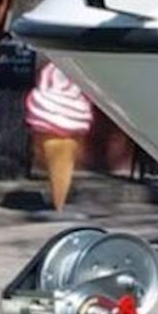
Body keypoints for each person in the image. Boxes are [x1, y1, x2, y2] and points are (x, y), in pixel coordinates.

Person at [24, 58, 94, 213]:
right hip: (62, 112)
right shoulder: (56, 73)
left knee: (59, 165)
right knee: (61, 166)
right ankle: (58, 203)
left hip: (56, 111)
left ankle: (59, 203)